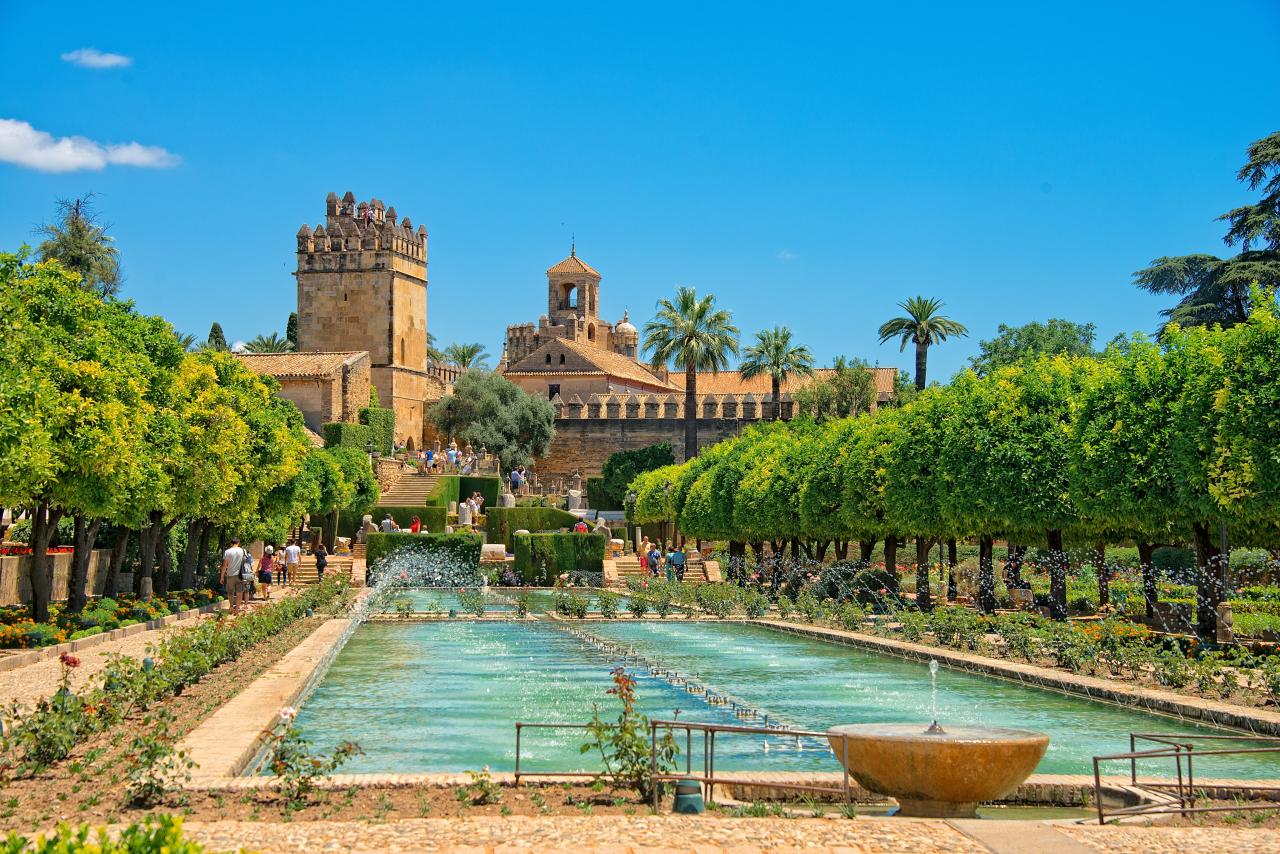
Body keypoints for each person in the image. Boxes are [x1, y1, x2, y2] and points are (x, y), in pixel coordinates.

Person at [220, 537, 247, 614]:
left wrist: (222, 576)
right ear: (238, 543)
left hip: (230, 574)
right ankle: (237, 609)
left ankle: (231, 606)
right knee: (239, 592)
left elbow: (225, 565)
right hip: (240, 575)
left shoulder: (227, 552)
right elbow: (246, 562)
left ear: (231, 543)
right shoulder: (242, 550)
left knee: (230, 592)